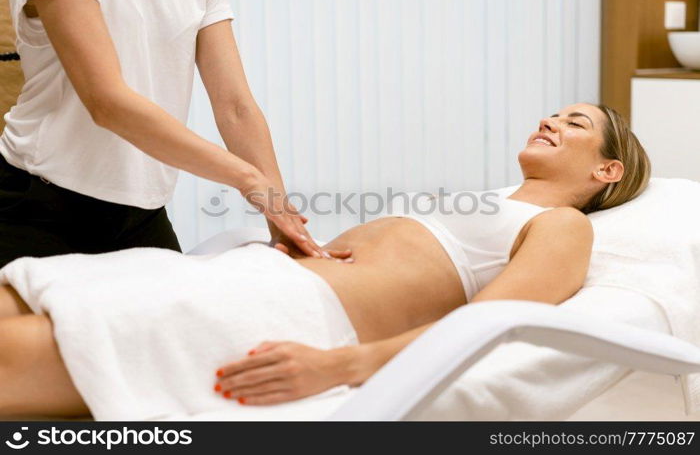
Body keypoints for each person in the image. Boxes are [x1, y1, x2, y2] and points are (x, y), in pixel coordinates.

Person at [0, 103, 651, 418]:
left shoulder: (562, 225)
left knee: (21, 353)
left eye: (575, 124)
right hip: (250, 276)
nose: (551, 121)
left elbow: (494, 321)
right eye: (554, 113)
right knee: (30, 293)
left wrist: (342, 366)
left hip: (289, 312)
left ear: (606, 167)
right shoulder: (485, 200)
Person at [0, 0, 340, 269]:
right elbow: (107, 102)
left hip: (141, 217)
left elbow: (235, 107)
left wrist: (282, 221)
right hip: (38, 206)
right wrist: (249, 179)